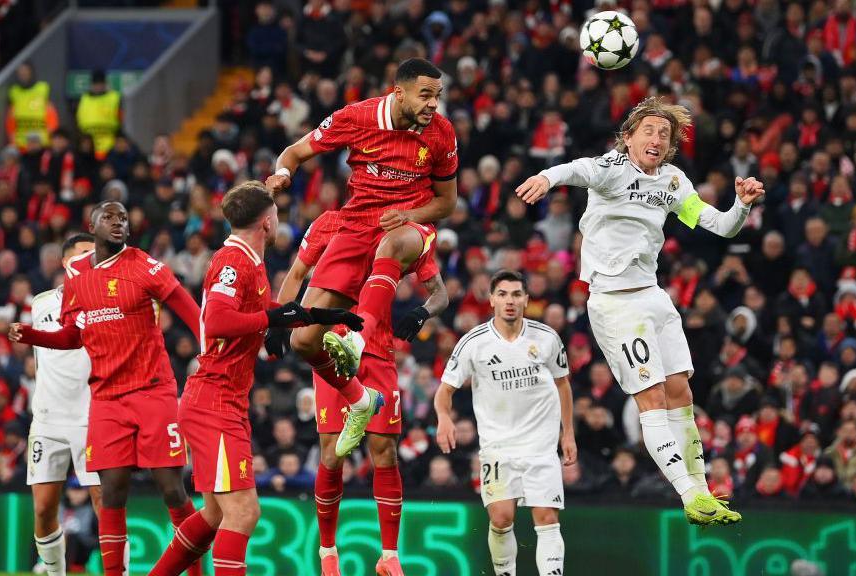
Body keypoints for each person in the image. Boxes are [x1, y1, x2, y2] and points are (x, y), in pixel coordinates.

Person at [516, 96, 763, 526]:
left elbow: (720, 226)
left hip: (653, 297)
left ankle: (703, 490)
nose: (656, 138)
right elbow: (574, 169)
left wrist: (741, 205)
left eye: (664, 134)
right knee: (651, 399)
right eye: (647, 130)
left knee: (681, 392)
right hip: (614, 303)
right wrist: (545, 176)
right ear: (627, 137)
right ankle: (688, 496)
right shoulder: (611, 169)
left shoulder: (672, 181)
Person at [145, 181, 361, 576]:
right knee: (243, 513)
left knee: (214, 514)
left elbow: (273, 311)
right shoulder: (234, 261)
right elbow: (218, 320)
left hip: (222, 399)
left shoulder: (249, 260)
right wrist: (270, 320)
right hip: (215, 401)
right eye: (276, 212)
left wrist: (326, 317)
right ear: (266, 220)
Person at [265, 57, 458, 459]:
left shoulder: (441, 134)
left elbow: (446, 203)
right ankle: (357, 398)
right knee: (303, 340)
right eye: (425, 95)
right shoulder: (356, 117)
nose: (433, 105)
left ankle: (357, 339)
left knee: (392, 243)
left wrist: (410, 215)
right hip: (356, 225)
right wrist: (283, 174)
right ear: (398, 91)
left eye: (437, 96)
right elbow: (294, 152)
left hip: (409, 226)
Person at [8, 201, 203, 576]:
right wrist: (31, 335)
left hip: (151, 391)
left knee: (172, 491)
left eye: (124, 218)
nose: (118, 222)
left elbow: (190, 311)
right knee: (111, 495)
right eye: (109, 217)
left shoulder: (144, 265)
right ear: (92, 224)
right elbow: (72, 337)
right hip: (106, 398)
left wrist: (210, 349)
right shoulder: (77, 274)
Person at [274, 209, 449, 576]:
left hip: (379, 351)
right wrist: (277, 319)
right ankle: (327, 552)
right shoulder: (330, 222)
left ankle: (389, 556)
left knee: (385, 452)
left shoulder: (405, 231)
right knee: (332, 453)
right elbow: (296, 274)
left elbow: (440, 294)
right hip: (331, 347)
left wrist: (421, 312)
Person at [435, 270, 576, 576]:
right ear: (491, 301)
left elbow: (563, 385)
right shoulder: (474, 343)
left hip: (541, 444)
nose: (509, 301)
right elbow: (444, 391)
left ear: (526, 299)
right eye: (502, 294)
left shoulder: (547, 338)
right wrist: (444, 417)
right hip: (498, 446)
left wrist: (568, 434)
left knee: (547, 518)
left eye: (515, 294)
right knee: (500, 518)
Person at [26, 232, 106, 576]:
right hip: (47, 419)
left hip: (93, 418)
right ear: (65, 262)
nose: (91, 259)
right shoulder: (41, 303)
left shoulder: (110, 304)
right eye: (84, 253)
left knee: (107, 507)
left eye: (96, 254)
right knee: (44, 510)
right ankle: (54, 573)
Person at [75, 70, 121, 160]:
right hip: (87, 148)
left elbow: (122, 121)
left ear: (105, 84)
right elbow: (77, 123)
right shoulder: (83, 100)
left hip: (110, 148)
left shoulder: (115, 98)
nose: (98, 87)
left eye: (100, 84)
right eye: (95, 84)